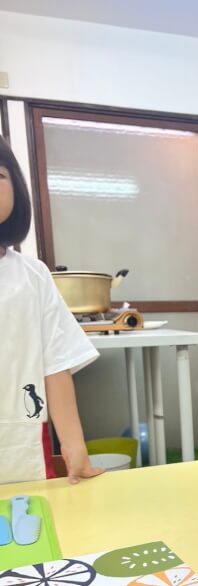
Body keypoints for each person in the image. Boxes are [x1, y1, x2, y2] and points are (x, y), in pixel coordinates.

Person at [0, 135, 101, 485]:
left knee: (32, 530)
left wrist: (75, 447)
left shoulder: (33, 275)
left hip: (22, 445)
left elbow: (56, 365)